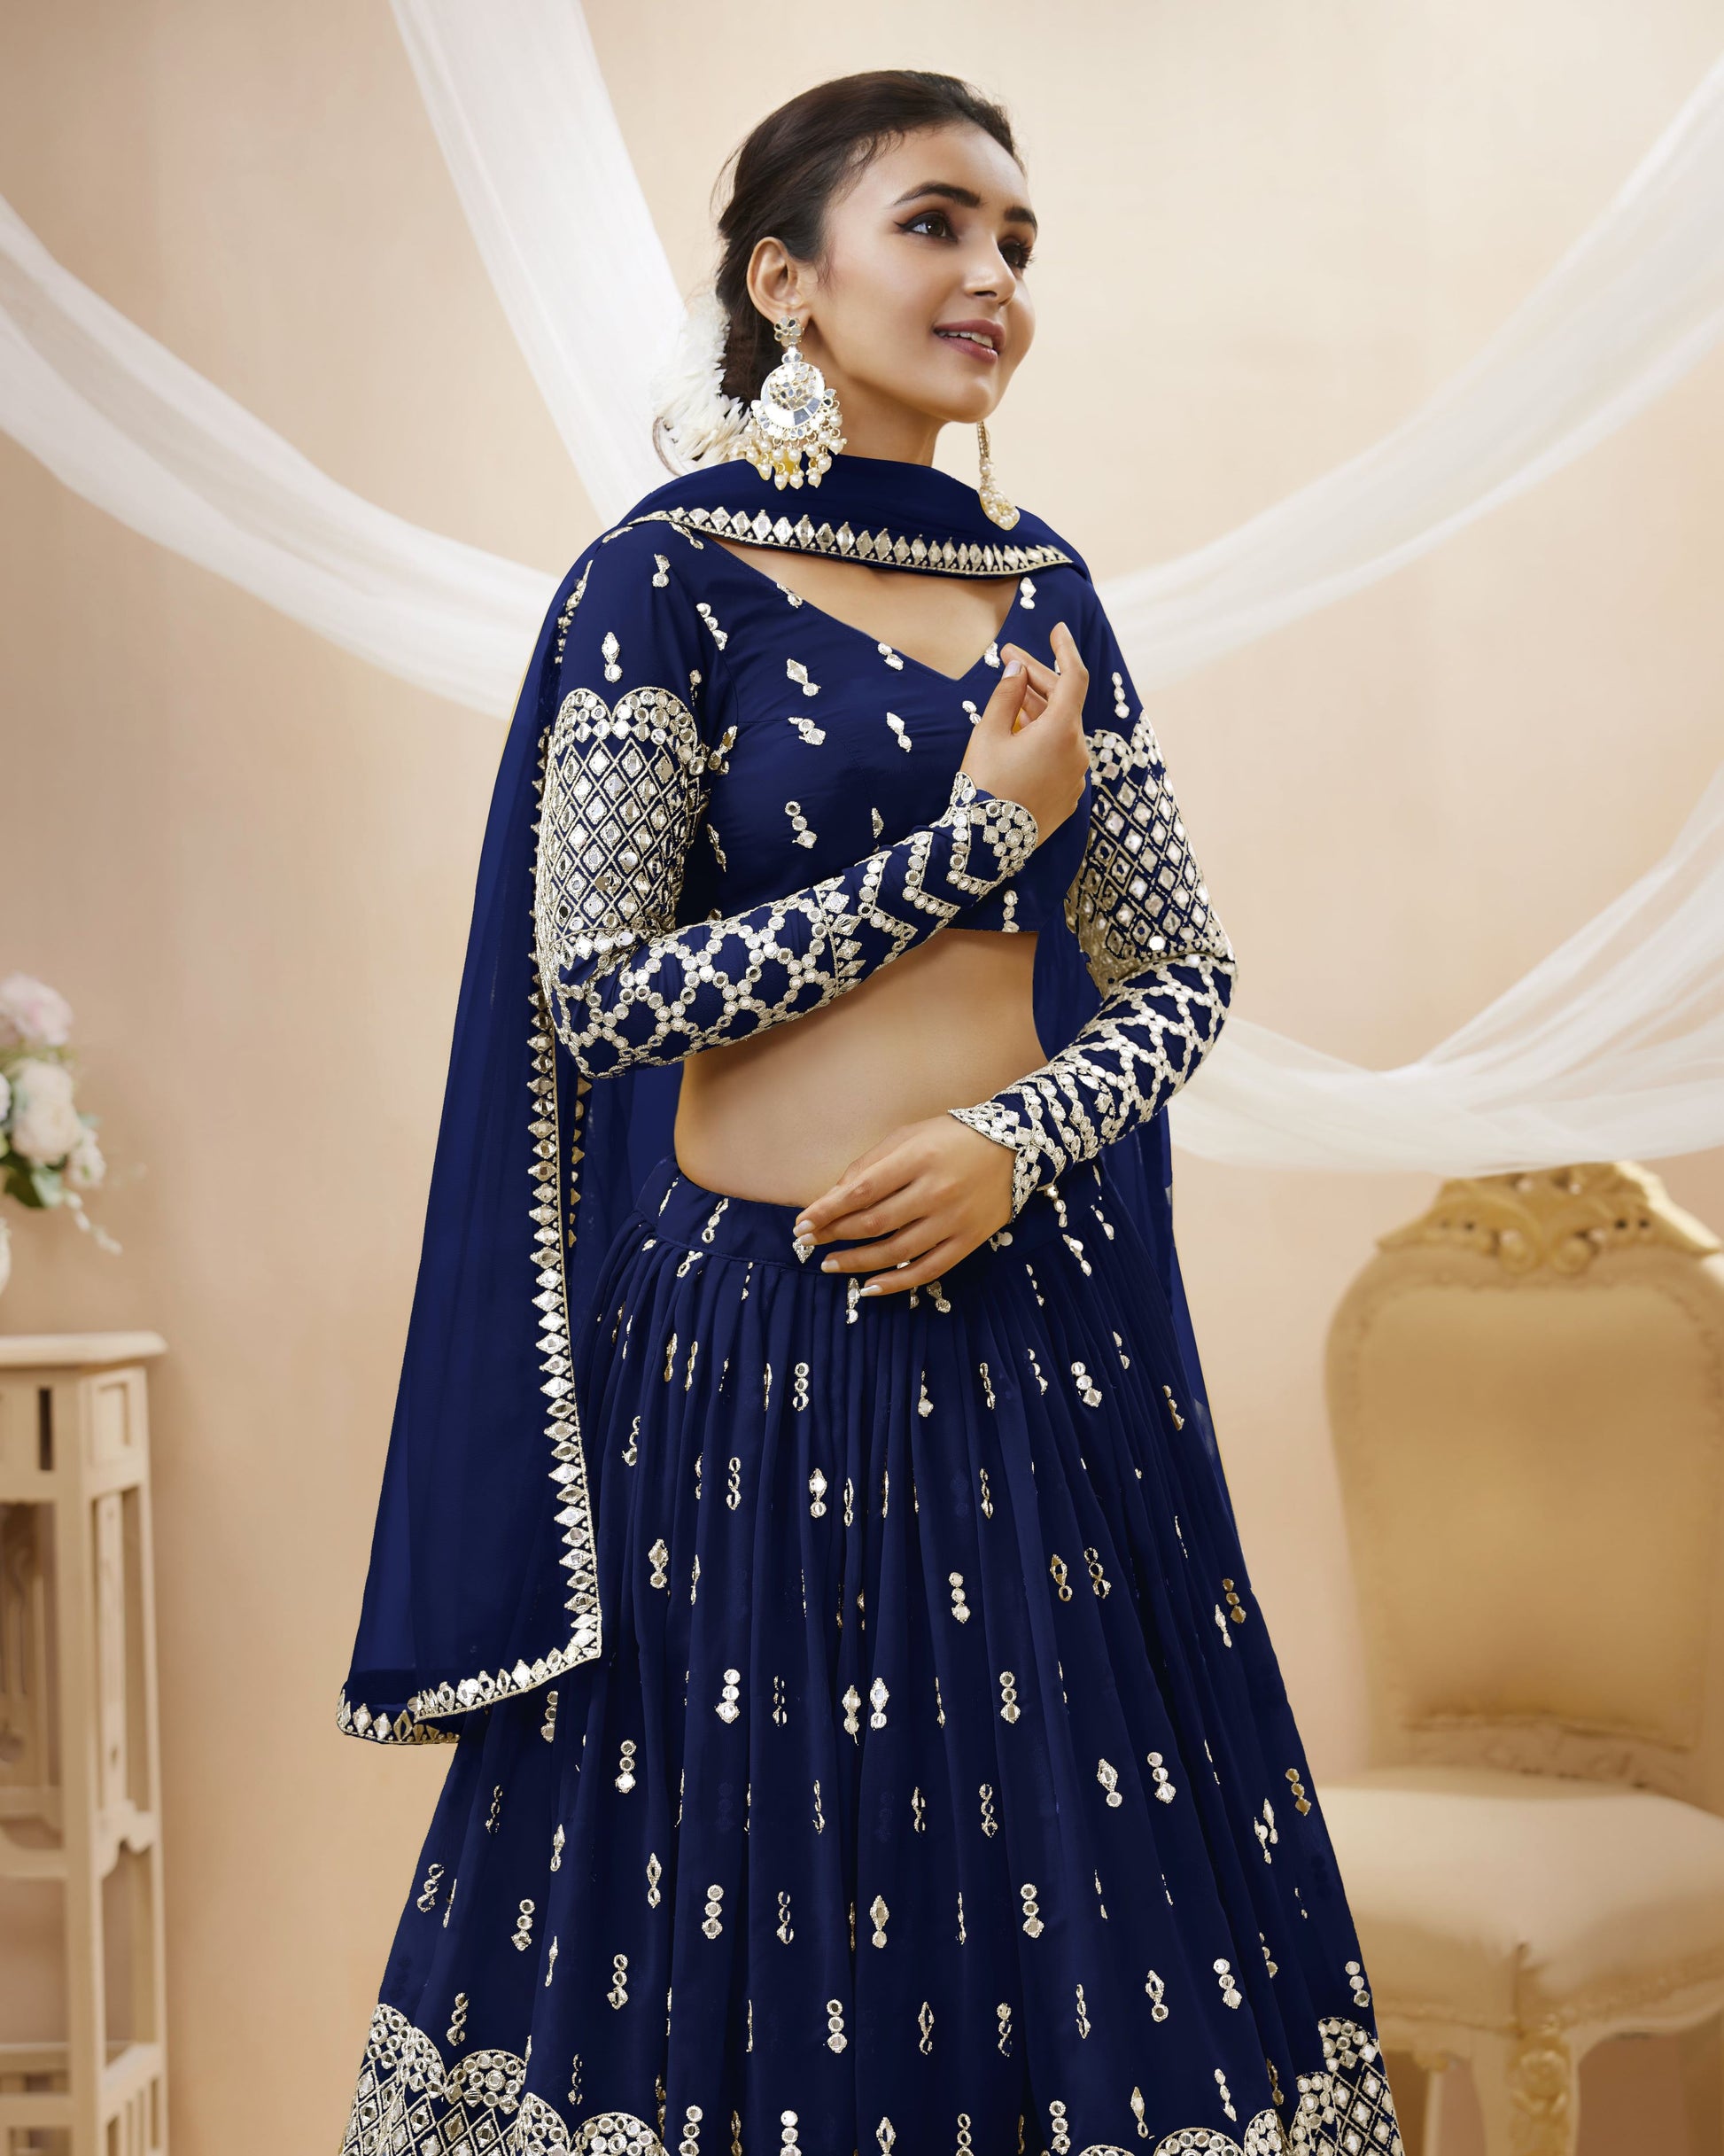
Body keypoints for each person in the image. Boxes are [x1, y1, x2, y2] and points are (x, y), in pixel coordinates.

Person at [336, 70, 1403, 2156]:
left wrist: (1020, 1136)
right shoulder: (663, 581)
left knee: (1051, 1900)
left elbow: (1182, 971)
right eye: (934, 223)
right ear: (785, 280)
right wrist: (965, 850)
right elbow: (599, 991)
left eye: (1016, 241)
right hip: (747, 1358)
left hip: (1031, 1346)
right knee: (746, 1895)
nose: (990, 274)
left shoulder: (1048, 589)